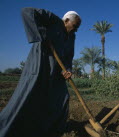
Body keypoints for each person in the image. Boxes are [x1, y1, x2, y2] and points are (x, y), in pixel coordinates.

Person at [0, 7, 81, 137]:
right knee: (28, 95)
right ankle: (5, 128)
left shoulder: (72, 36)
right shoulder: (53, 21)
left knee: (62, 97)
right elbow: (27, 12)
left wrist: (68, 70)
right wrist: (41, 35)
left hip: (56, 72)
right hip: (40, 65)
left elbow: (68, 56)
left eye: (77, 28)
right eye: (75, 26)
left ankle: (55, 129)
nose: (76, 29)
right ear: (66, 20)